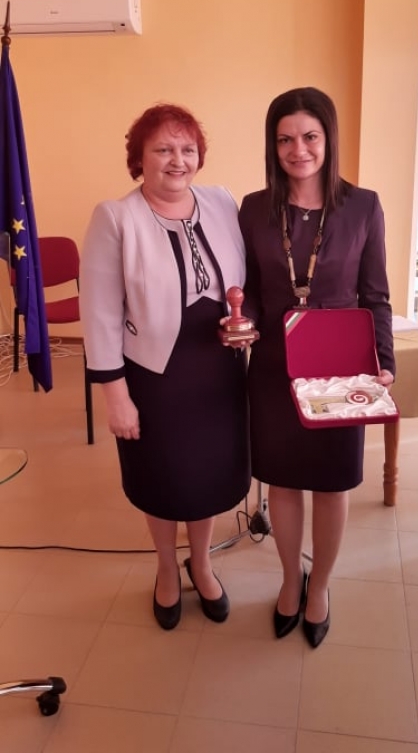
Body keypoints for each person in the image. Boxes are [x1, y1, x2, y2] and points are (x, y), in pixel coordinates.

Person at [79, 103, 250, 630]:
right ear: (140, 158)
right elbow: (100, 314)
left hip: (218, 371)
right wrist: (116, 396)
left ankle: (201, 563)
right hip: (154, 377)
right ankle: (166, 568)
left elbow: (247, 281)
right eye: (164, 149)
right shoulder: (116, 217)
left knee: (208, 476)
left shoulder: (222, 201)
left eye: (187, 149)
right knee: (162, 476)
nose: (178, 160)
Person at [239, 87, 395, 648]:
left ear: (328, 139)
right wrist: (242, 322)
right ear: (272, 145)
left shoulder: (363, 205)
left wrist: (384, 363)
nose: (297, 150)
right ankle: (290, 579)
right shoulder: (254, 208)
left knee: (332, 482)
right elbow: (250, 289)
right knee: (282, 480)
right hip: (274, 365)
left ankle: (320, 585)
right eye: (285, 139)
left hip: (340, 367)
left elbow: (375, 294)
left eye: (309, 136)